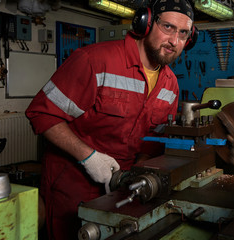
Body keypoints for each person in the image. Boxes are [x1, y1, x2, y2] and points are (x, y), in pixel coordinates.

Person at [25, 0, 197, 238]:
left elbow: (153, 141)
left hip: (124, 188)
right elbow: (42, 113)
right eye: (168, 27)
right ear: (145, 23)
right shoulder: (94, 60)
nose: (174, 41)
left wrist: (140, 177)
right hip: (73, 186)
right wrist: (88, 157)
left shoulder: (171, 85)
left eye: (183, 33)